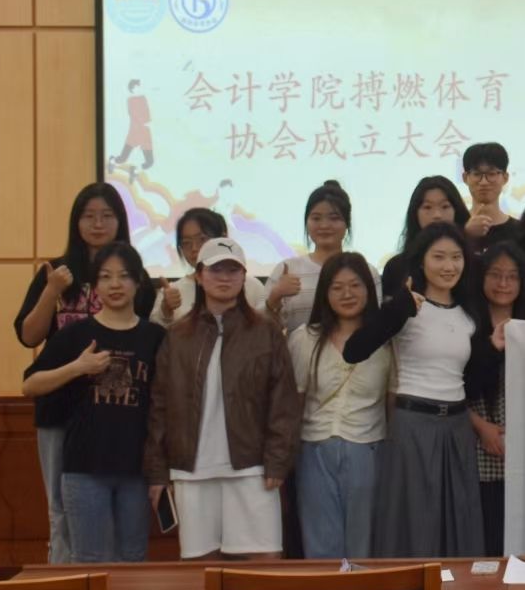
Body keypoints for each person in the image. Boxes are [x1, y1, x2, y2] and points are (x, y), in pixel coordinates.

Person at [15, 182, 153, 564]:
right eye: (88, 216)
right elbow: (29, 337)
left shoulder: (135, 276)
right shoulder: (57, 272)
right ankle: (65, 583)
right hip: (60, 407)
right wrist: (51, 291)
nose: (98, 224)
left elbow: (144, 333)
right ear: (76, 222)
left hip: (115, 415)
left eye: (107, 215)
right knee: (61, 508)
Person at [344, 222, 497, 557]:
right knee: (413, 519)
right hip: (413, 423)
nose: (449, 265)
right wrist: (398, 309)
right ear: (422, 261)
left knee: (458, 515)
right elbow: (354, 351)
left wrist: (492, 348)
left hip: (457, 426)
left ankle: (457, 587)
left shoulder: (470, 312)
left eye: (456, 257)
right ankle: (411, 586)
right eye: (439, 256)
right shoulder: (406, 305)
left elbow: (471, 380)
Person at [145, 237, 300, 561]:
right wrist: (158, 471)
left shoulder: (266, 332)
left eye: (233, 270)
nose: (225, 278)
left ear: (244, 277)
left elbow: (283, 402)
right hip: (191, 469)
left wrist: (277, 460)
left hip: (252, 468)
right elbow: (160, 406)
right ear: (199, 276)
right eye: (216, 270)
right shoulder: (177, 335)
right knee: (201, 569)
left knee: (264, 563)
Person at [286, 252, 391, 560]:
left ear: (369, 290)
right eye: (337, 287)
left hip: (368, 449)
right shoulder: (304, 339)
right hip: (314, 449)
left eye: (355, 285)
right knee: (320, 545)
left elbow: (391, 400)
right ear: (324, 293)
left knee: (364, 543)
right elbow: (296, 400)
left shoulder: (387, 341)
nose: (347, 294)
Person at [471, 241, 525, 556]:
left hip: (524, 452)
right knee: (485, 539)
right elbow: (455, 386)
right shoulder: (467, 325)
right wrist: (481, 427)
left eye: (512, 276)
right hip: (477, 449)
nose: (503, 284)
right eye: (495, 275)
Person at [268, 181, 363, 335]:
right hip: (298, 350)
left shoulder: (365, 271)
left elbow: (374, 322)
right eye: (316, 218)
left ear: (347, 223)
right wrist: (275, 297)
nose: (324, 225)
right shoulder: (287, 269)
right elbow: (258, 327)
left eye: (334, 218)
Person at [156, 208, 267, 328]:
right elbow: (156, 330)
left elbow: (267, 329)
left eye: (202, 239)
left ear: (223, 238)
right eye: (187, 243)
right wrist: (166, 310)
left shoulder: (253, 287)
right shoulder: (172, 291)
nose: (194, 248)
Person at [381, 176, 468, 299]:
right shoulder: (396, 267)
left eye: (445, 206)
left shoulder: (470, 263)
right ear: (415, 213)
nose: (437, 215)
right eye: (427, 207)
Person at [462, 143, 523, 253]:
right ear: (465, 178)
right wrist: (466, 234)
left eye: (491, 174)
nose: (484, 182)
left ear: (505, 178)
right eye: (477, 174)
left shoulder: (520, 231)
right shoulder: (455, 227)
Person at [110, 79, 153, 170]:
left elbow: (147, 112)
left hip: (145, 130)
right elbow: (134, 115)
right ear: (133, 88)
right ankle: (113, 161)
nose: (140, 88)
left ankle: (135, 170)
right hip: (135, 131)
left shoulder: (143, 98)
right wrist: (144, 123)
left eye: (140, 86)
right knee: (123, 158)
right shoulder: (131, 100)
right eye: (138, 86)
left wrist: (148, 123)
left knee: (149, 161)